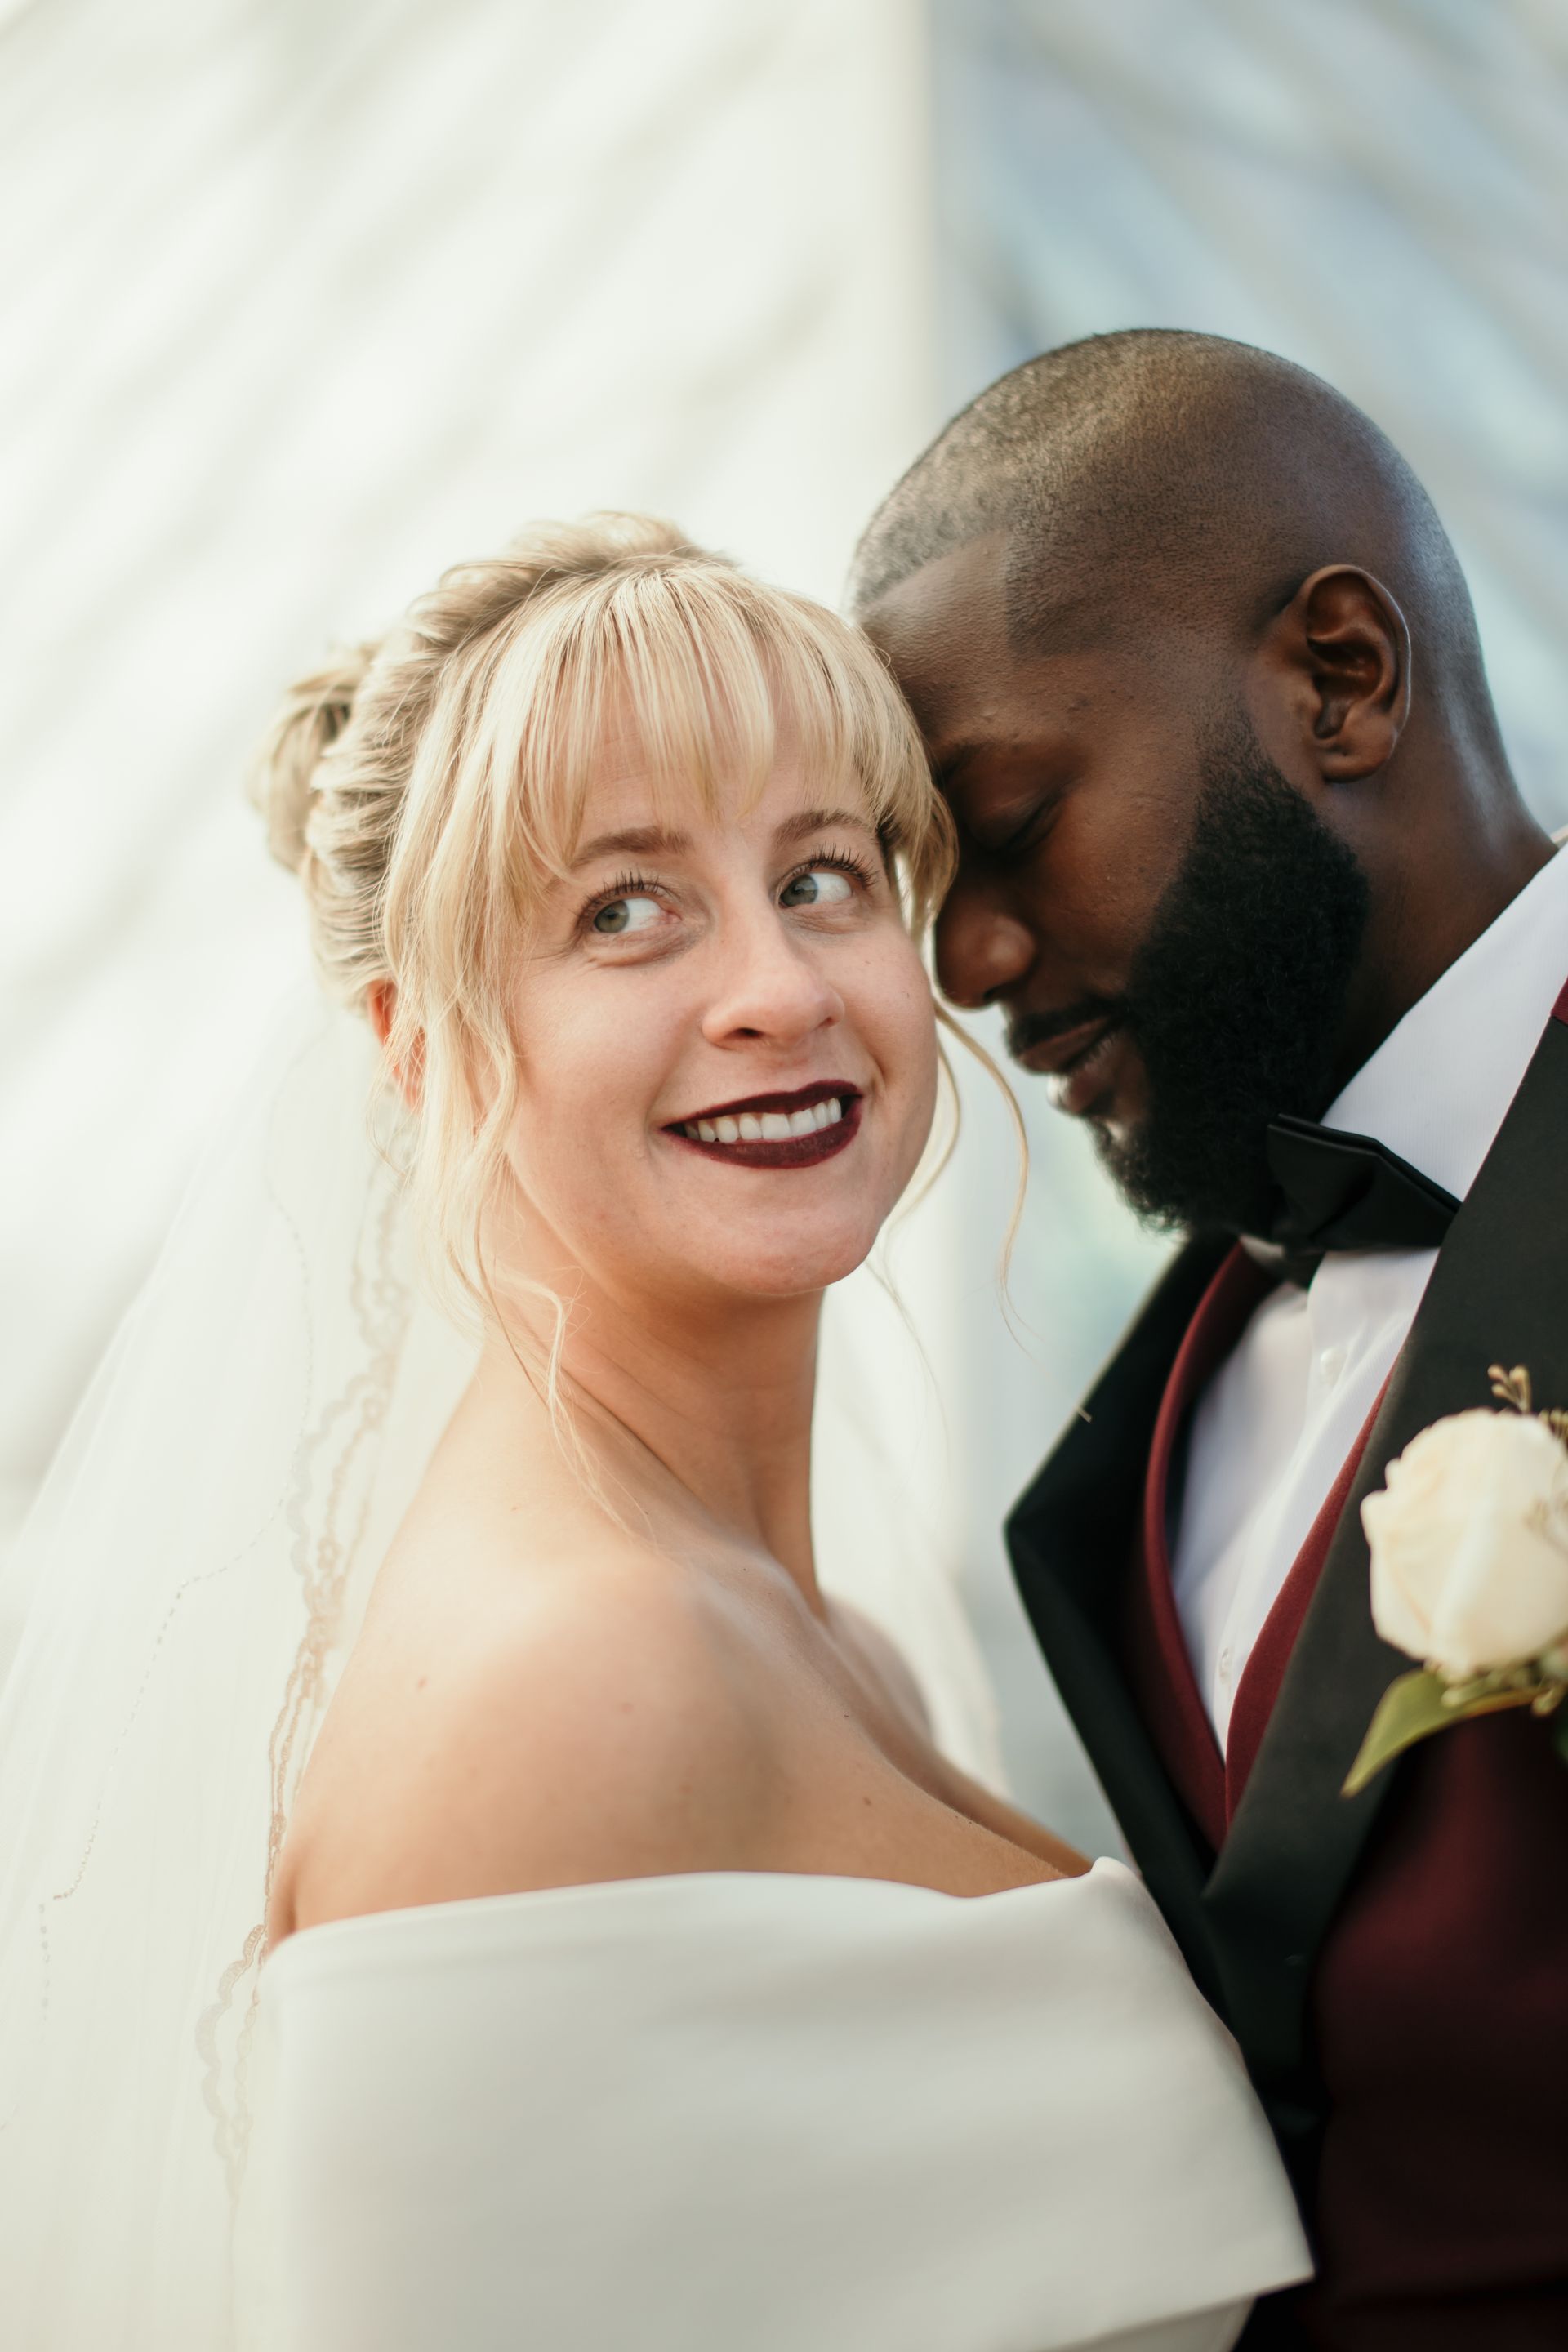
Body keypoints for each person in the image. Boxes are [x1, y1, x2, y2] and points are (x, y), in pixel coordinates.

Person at [0, 514, 1307, 2351]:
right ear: (416, 1044)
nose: (774, 986)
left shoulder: (803, 1631)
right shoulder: (580, 1678)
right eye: (625, 909)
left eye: (825, 876)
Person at [852, 329, 1568, 2351]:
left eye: (1007, 822)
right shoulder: (1142, 1421)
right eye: (919, 888)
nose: (966, 966)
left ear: (1338, 678)